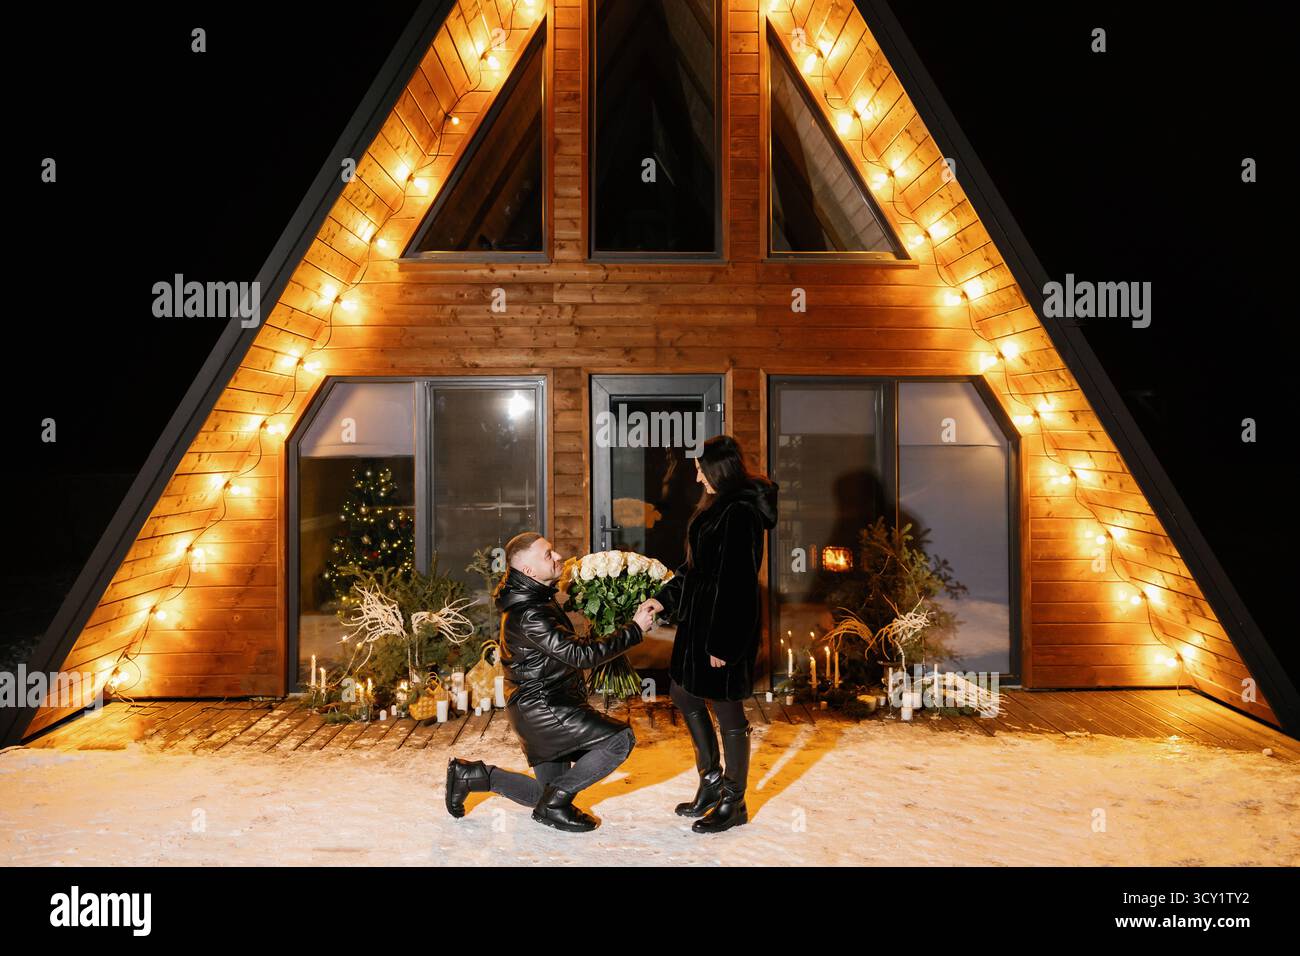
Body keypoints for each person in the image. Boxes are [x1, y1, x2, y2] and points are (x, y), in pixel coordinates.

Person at [444, 532, 659, 832]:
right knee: (618, 740)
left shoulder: (536, 598)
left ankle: (472, 776)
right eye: (548, 555)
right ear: (529, 571)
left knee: (544, 793)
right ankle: (555, 804)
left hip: (540, 707)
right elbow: (580, 655)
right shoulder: (529, 612)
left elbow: (570, 648)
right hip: (545, 709)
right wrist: (633, 630)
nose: (558, 556)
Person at [646, 434, 778, 833]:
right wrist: (661, 600)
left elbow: (737, 582)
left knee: (728, 709)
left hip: (722, 625)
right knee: (683, 691)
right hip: (698, 621)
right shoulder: (717, 505)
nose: (697, 474)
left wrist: (723, 643)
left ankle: (733, 802)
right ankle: (710, 780)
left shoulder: (739, 512)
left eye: (701, 468)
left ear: (716, 469)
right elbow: (695, 567)